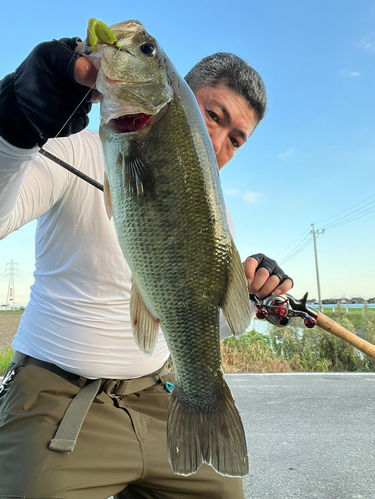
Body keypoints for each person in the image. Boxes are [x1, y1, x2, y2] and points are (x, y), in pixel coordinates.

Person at [0, 34, 293, 499]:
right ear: (177, 95)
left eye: (235, 139)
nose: (217, 141)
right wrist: (13, 129)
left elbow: (206, 323)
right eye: (212, 116)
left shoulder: (217, 211)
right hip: (54, 394)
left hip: (158, 395)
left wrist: (251, 293)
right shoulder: (73, 144)